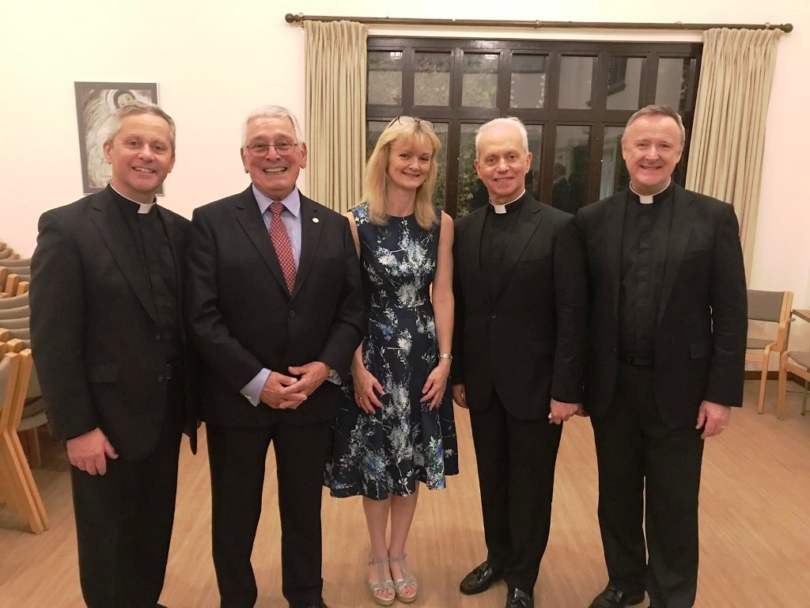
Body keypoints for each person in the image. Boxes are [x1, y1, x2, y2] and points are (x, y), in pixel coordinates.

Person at [187, 105, 364, 608]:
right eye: (260, 145)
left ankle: (306, 596)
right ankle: (236, 598)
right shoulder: (211, 221)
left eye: (283, 143)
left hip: (310, 398)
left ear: (302, 154)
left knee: (304, 509)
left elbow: (352, 309)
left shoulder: (332, 225)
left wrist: (326, 366)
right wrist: (255, 378)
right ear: (244, 158)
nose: (273, 154)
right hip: (236, 400)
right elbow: (202, 317)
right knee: (235, 511)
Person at [575, 105, 747, 608]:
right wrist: (581, 385)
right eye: (641, 145)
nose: (652, 154)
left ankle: (672, 596)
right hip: (613, 386)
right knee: (618, 497)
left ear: (679, 152)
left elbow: (731, 313)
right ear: (624, 152)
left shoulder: (713, 217)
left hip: (682, 388)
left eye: (663, 146)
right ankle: (626, 582)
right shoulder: (592, 220)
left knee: (673, 503)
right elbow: (583, 312)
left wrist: (721, 395)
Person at [30, 100, 197, 608]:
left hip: (165, 416)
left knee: (153, 528)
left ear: (171, 160)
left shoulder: (180, 231)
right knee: (106, 539)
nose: (146, 155)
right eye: (134, 143)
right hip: (103, 421)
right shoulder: (68, 228)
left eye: (158, 147)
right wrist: (77, 428)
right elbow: (53, 338)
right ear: (108, 151)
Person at [451, 117, 588, 608]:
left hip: (537, 385)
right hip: (484, 385)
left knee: (531, 484)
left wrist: (567, 389)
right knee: (492, 477)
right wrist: (461, 375)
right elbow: (464, 308)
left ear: (528, 162)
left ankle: (523, 576)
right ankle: (497, 556)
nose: (502, 166)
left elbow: (573, 315)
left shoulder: (560, 227)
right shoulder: (464, 229)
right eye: (492, 159)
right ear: (478, 168)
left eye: (511, 156)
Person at [325, 116, 458, 606]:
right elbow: (349, 300)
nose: (415, 165)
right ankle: (377, 555)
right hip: (374, 352)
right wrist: (355, 366)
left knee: (413, 459)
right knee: (378, 462)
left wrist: (446, 361)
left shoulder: (439, 223)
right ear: (384, 158)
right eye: (406, 155)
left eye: (424, 158)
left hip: (423, 355)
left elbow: (442, 295)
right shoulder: (354, 222)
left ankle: (399, 553)